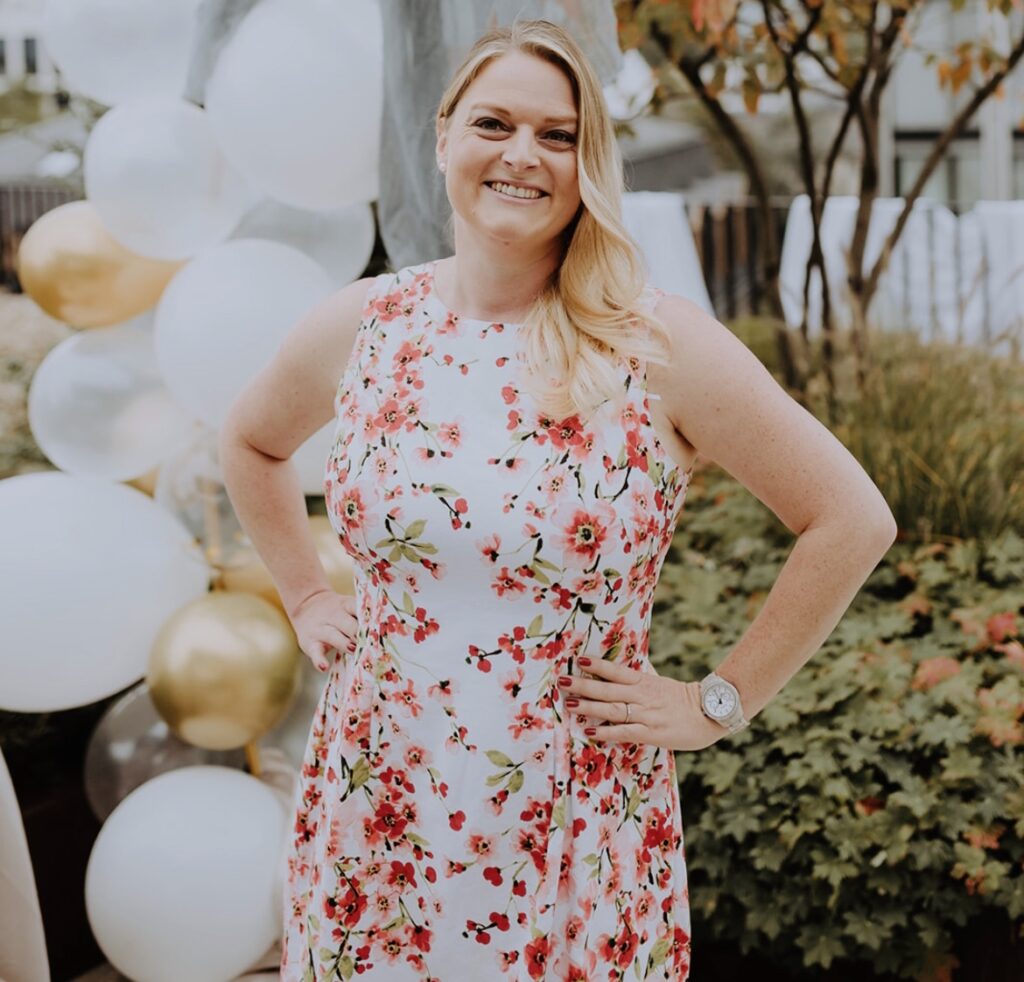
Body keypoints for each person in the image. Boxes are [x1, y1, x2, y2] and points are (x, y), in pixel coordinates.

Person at [219, 18, 898, 982]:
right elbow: (249, 442)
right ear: (443, 135)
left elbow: (851, 517)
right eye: (494, 123)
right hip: (380, 797)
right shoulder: (366, 323)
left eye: (558, 134)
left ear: (590, 163)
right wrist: (306, 594)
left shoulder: (655, 344)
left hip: (568, 817)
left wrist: (718, 702)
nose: (522, 155)